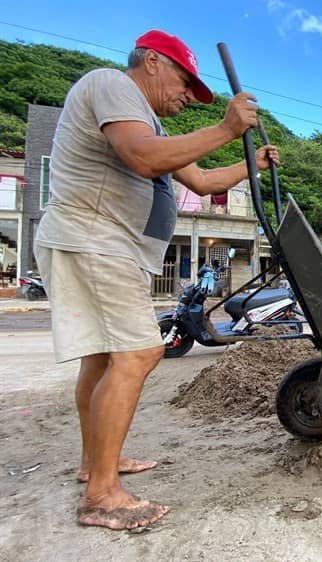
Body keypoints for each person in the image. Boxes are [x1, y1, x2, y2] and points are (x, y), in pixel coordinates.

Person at [33, 29, 279, 531]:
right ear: (151, 62)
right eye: (186, 82)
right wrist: (227, 127)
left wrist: (248, 163)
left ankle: (94, 464)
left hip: (108, 244)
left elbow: (204, 181)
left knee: (103, 357)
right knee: (141, 351)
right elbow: (140, 157)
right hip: (94, 236)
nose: (189, 96)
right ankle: (102, 495)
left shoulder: (153, 127)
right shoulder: (110, 85)